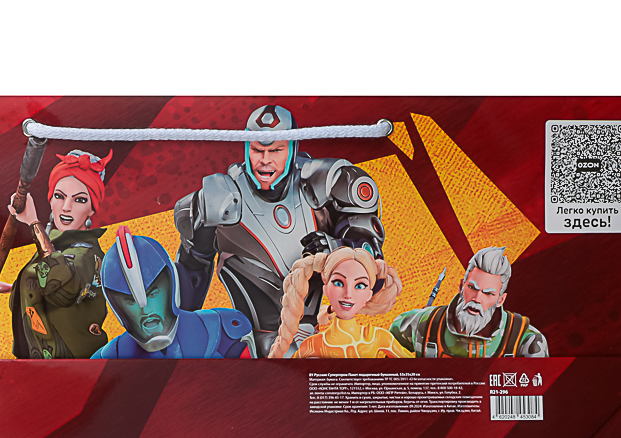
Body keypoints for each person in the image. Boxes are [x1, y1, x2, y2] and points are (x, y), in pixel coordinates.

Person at [173, 103, 389, 357]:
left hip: (314, 336)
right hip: (250, 342)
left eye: (275, 150)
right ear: (246, 148)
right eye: (257, 150)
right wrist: (179, 335)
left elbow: (373, 267)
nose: (265, 160)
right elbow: (192, 271)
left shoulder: (327, 184)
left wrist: (336, 250)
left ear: (292, 148)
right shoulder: (217, 199)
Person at [7, 149, 111, 359]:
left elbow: (59, 285)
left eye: (79, 200)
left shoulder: (87, 254)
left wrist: (33, 223)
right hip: (37, 362)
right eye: (59, 196)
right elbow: (42, 281)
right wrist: (15, 287)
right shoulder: (55, 242)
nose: (66, 207)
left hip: (72, 363)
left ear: (92, 209)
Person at [92, 226, 252, 359]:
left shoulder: (224, 332)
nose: (145, 310)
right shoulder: (107, 359)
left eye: (153, 294)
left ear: (172, 286)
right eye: (130, 301)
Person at [390, 246, 548, 358]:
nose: (477, 299)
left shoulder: (526, 341)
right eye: (472, 288)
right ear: (461, 286)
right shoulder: (419, 324)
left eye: (488, 293)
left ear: (500, 300)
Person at [268, 248, 406, 359]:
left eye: (359, 285)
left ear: (369, 295)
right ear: (326, 289)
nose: (348, 294)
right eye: (339, 283)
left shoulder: (379, 337)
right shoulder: (313, 345)